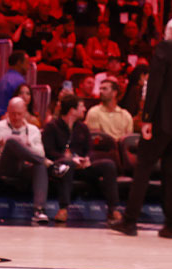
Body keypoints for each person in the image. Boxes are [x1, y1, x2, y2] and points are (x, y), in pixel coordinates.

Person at [109, 16, 172, 239]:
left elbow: (155, 85)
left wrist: (147, 119)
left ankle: (129, 221)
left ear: (171, 31)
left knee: (143, 167)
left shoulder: (166, 47)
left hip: (163, 121)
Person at [43, 94, 121, 224]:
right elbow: (48, 151)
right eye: (81, 106)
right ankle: (63, 209)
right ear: (72, 110)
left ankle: (113, 209)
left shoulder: (82, 128)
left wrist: (87, 159)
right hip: (60, 166)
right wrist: (68, 159)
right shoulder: (52, 127)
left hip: (81, 166)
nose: (84, 109)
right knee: (67, 164)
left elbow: (89, 149)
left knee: (109, 165)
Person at [0, 96, 58, 224]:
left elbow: (41, 153)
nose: (16, 118)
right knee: (12, 141)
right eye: (12, 114)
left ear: (25, 112)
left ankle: (39, 211)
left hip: (25, 166)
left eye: (19, 114)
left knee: (39, 165)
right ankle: (49, 164)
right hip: (5, 166)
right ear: (7, 111)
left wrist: (29, 146)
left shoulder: (33, 130)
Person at [0, 51, 28, 120]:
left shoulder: (4, 78)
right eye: (27, 63)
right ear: (19, 62)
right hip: (9, 121)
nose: (28, 67)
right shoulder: (19, 81)